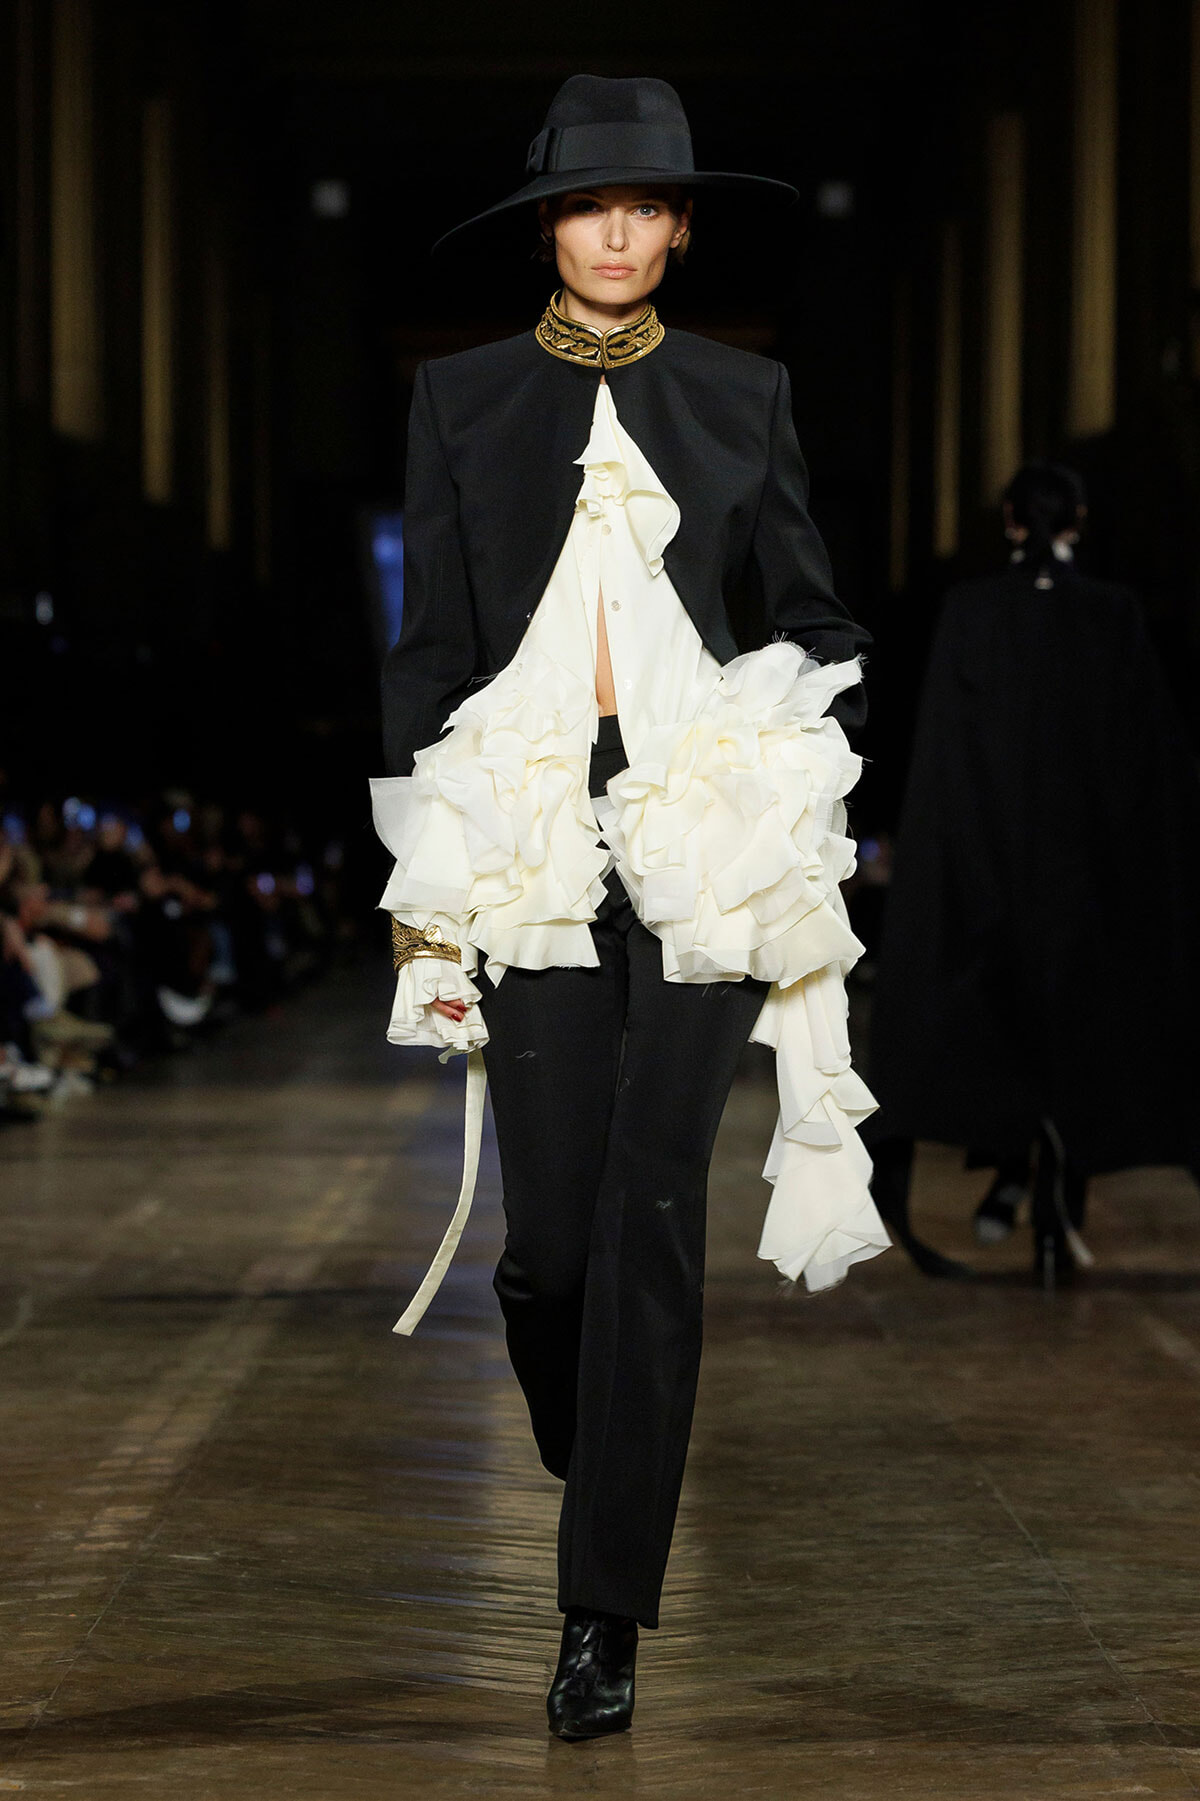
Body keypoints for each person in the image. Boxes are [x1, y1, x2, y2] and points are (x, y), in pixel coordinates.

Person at [371, 74, 889, 1741]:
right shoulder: (461, 398)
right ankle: (585, 1418)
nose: (616, 232)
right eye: (591, 206)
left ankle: (602, 1616)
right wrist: (422, 888)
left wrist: (791, 757)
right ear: (550, 227)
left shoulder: (744, 392)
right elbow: (429, 650)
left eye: (647, 206)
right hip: (528, 833)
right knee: (548, 1250)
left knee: (653, 1210)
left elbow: (809, 608)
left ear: (676, 230)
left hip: (698, 829)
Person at [867, 462, 1200, 1285]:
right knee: (1080, 1038)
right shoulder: (1113, 613)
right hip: (1087, 882)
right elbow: (1148, 758)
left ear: (1011, 522)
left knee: (1001, 1034)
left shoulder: (971, 611)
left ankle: (1022, 1181)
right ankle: (1052, 1204)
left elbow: (943, 746)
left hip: (991, 873)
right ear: (1078, 520)